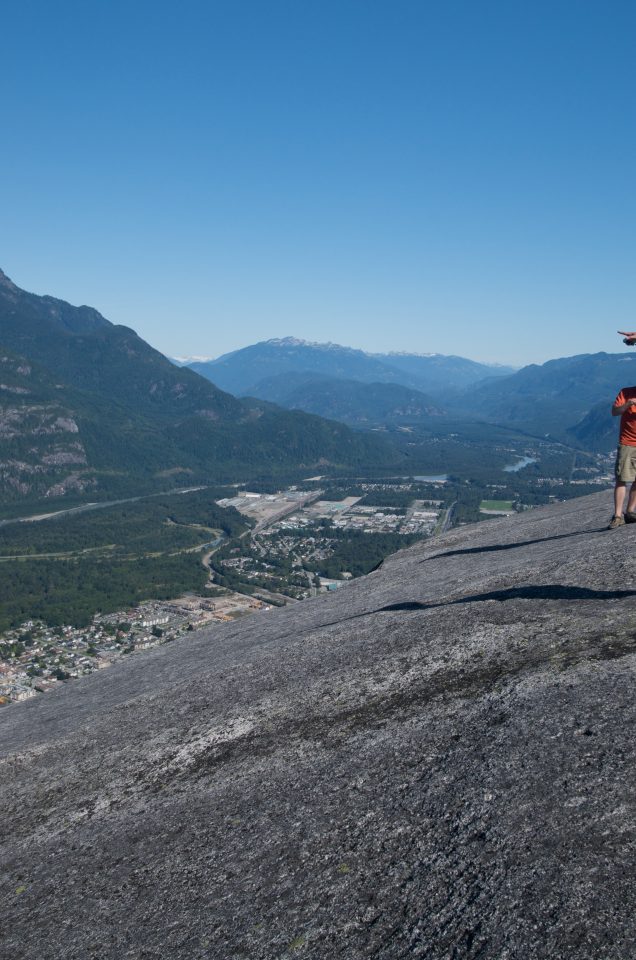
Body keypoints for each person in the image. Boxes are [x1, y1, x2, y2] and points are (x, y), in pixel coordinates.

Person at [609, 385, 636, 528]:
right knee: (622, 479)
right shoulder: (626, 393)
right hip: (627, 443)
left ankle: (630, 512)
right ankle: (617, 516)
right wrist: (628, 404)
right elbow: (614, 411)